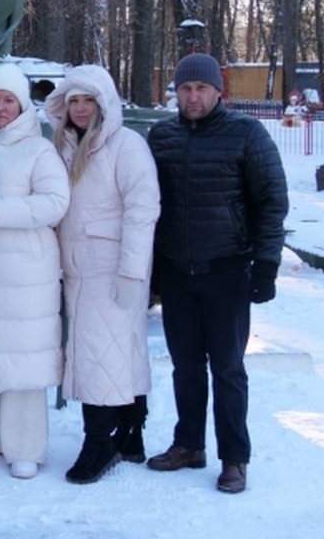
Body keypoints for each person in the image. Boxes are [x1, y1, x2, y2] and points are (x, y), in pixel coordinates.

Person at [146, 53, 287, 494]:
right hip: (176, 270)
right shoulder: (161, 136)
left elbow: (271, 201)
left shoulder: (246, 133)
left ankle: (234, 458)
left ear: (217, 91)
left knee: (227, 369)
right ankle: (189, 444)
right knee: (185, 367)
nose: (192, 96)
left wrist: (266, 265)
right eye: (185, 89)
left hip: (226, 270)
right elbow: (150, 207)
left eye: (201, 89)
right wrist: (151, 271)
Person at [44, 64, 159, 485]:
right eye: (73, 100)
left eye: (88, 99)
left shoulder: (126, 146)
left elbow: (142, 209)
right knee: (118, 352)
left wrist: (131, 272)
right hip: (78, 269)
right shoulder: (65, 146)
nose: (79, 108)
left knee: (99, 357)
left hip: (112, 269)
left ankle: (99, 441)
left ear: (104, 103)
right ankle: (131, 434)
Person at [0, 63, 69, 480]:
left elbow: (56, 202)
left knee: (23, 362)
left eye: (7, 100)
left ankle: (26, 447)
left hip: (25, 271)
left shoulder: (37, 149)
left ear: (21, 105)